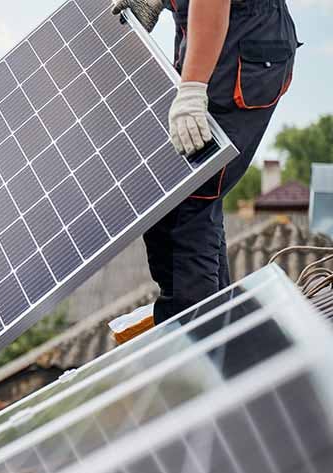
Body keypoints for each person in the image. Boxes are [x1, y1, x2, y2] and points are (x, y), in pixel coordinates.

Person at [111, 0, 298, 323]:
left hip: (241, 37)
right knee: (169, 202)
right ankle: (217, 336)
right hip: (205, 30)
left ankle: (199, 339)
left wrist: (193, 88)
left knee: (188, 199)